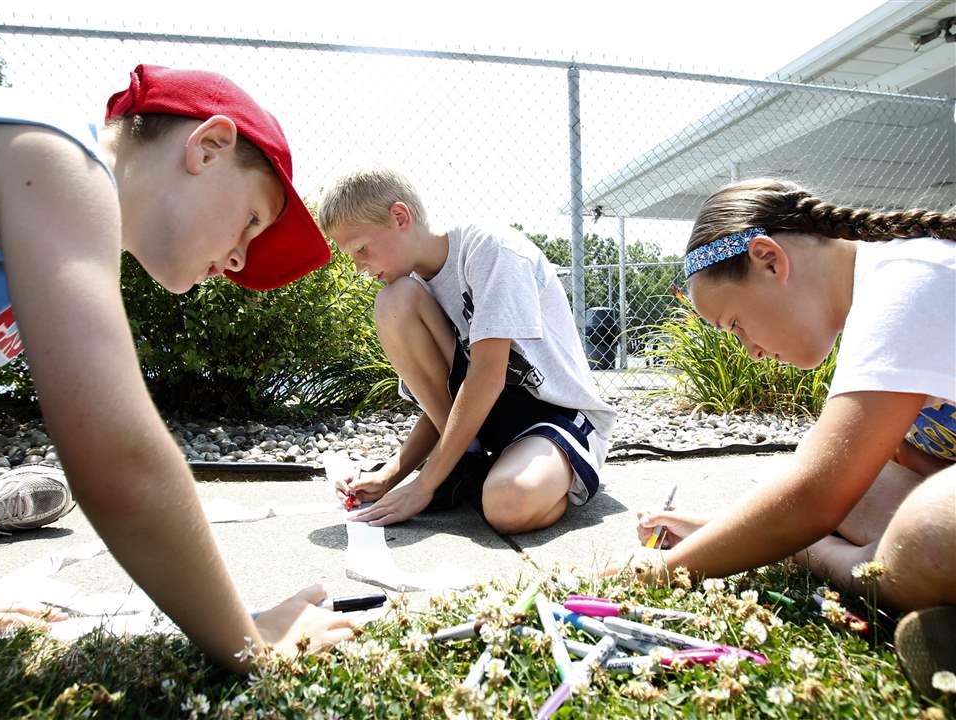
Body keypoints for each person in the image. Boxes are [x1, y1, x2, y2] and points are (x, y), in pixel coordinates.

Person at [0, 64, 354, 683]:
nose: (239, 259)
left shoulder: (35, 243)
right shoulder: (57, 159)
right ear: (209, 147)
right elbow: (117, 461)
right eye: (252, 222)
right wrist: (249, 640)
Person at [624, 178, 954, 697]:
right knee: (851, 477)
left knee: (931, 533)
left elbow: (813, 498)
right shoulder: (880, 286)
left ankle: (818, 556)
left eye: (735, 324)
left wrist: (665, 570)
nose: (748, 350)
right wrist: (716, 530)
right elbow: (846, 480)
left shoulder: (907, 282)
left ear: (769, 260)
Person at [319, 168, 616, 532]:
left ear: (400, 217)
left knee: (507, 504)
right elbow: (445, 404)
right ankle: (467, 465)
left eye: (361, 249)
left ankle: (554, 472)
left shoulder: (489, 250)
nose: (359, 266)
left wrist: (424, 485)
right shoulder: (413, 287)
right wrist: (390, 475)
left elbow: (486, 379)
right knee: (393, 302)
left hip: (556, 417)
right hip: (488, 423)